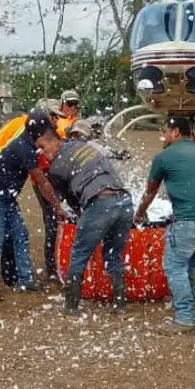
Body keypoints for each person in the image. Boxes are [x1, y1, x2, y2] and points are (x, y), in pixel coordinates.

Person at [133, 116, 195, 330]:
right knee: (189, 260)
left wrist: (138, 215)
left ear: (175, 132)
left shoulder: (164, 157)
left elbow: (150, 192)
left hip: (192, 219)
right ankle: (187, 302)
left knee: (174, 265)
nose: (163, 136)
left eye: (165, 131)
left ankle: (185, 317)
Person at [0, 99, 66, 285]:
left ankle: (14, 276)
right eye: (52, 117)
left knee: (16, 234)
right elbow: (39, 178)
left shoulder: (24, 126)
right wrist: (56, 205)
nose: (55, 122)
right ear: (43, 118)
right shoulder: (27, 138)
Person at [39, 126, 134, 316]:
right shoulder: (80, 145)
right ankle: (120, 305)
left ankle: (71, 306)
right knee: (113, 255)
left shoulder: (56, 168)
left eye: (43, 147)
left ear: (54, 141)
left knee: (79, 255)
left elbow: (71, 199)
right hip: (125, 202)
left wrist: (81, 215)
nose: (42, 153)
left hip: (101, 202)